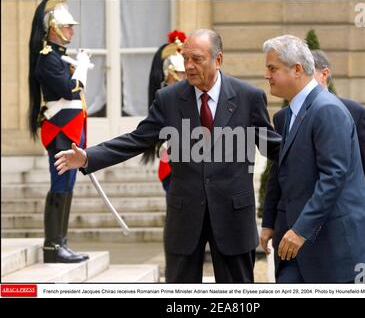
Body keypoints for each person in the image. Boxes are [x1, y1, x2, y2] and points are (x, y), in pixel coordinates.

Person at [54, 29, 281, 283]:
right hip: (184, 219)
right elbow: (137, 139)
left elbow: (273, 147)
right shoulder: (169, 98)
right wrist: (88, 157)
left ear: (218, 60)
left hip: (234, 218)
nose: (189, 66)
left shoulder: (248, 98)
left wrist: (314, 149)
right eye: (186, 59)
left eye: (197, 59)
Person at [259, 35, 365, 283]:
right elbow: (282, 171)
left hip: (339, 252)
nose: (267, 75)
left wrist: (300, 230)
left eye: (272, 68)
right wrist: (270, 222)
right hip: (300, 249)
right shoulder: (288, 115)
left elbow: (333, 177)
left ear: (297, 69)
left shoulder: (326, 109)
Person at [28, 0, 91, 263]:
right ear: (53, 27)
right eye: (67, 26)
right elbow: (68, 90)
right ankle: (53, 246)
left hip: (70, 129)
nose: (72, 31)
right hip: (60, 130)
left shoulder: (58, 57)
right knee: (60, 185)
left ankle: (61, 241)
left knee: (67, 185)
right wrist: (83, 68)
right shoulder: (48, 59)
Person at [311, 49, 365, 214]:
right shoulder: (285, 116)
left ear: (324, 74)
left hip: (343, 215)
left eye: (309, 72)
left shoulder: (355, 112)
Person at [143, 30, 187, 192]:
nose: (184, 76)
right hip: (170, 155)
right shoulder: (164, 98)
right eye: (181, 72)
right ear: (170, 71)